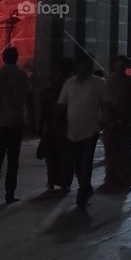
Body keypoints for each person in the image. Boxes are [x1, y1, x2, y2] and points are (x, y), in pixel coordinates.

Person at [0, 47, 30, 204]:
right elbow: (27, 98)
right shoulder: (22, 75)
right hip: (15, 119)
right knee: (13, 159)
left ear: (3, 58)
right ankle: (10, 193)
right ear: (16, 58)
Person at [58, 53, 104, 207]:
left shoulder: (98, 83)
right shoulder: (69, 84)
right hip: (72, 130)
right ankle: (85, 186)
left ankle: (83, 193)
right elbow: (62, 105)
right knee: (77, 163)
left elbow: (106, 103)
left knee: (86, 162)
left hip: (91, 130)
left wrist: (106, 120)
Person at [101, 55, 131, 191]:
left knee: (125, 152)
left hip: (126, 122)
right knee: (111, 152)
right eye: (117, 65)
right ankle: (110, 178)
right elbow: (104, 101)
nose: (119, 67)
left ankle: (124, 178)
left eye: (122, 65)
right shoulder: (109, 81)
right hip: (111, 123)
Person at [39, 57, 74, 193]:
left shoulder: (54, 86)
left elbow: (45, 107)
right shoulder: (71, 84)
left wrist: (41, 124)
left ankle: (52, 180)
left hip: (55, 124)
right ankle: (63, 181)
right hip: (64, 125)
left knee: (53, 155)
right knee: (64, 154)